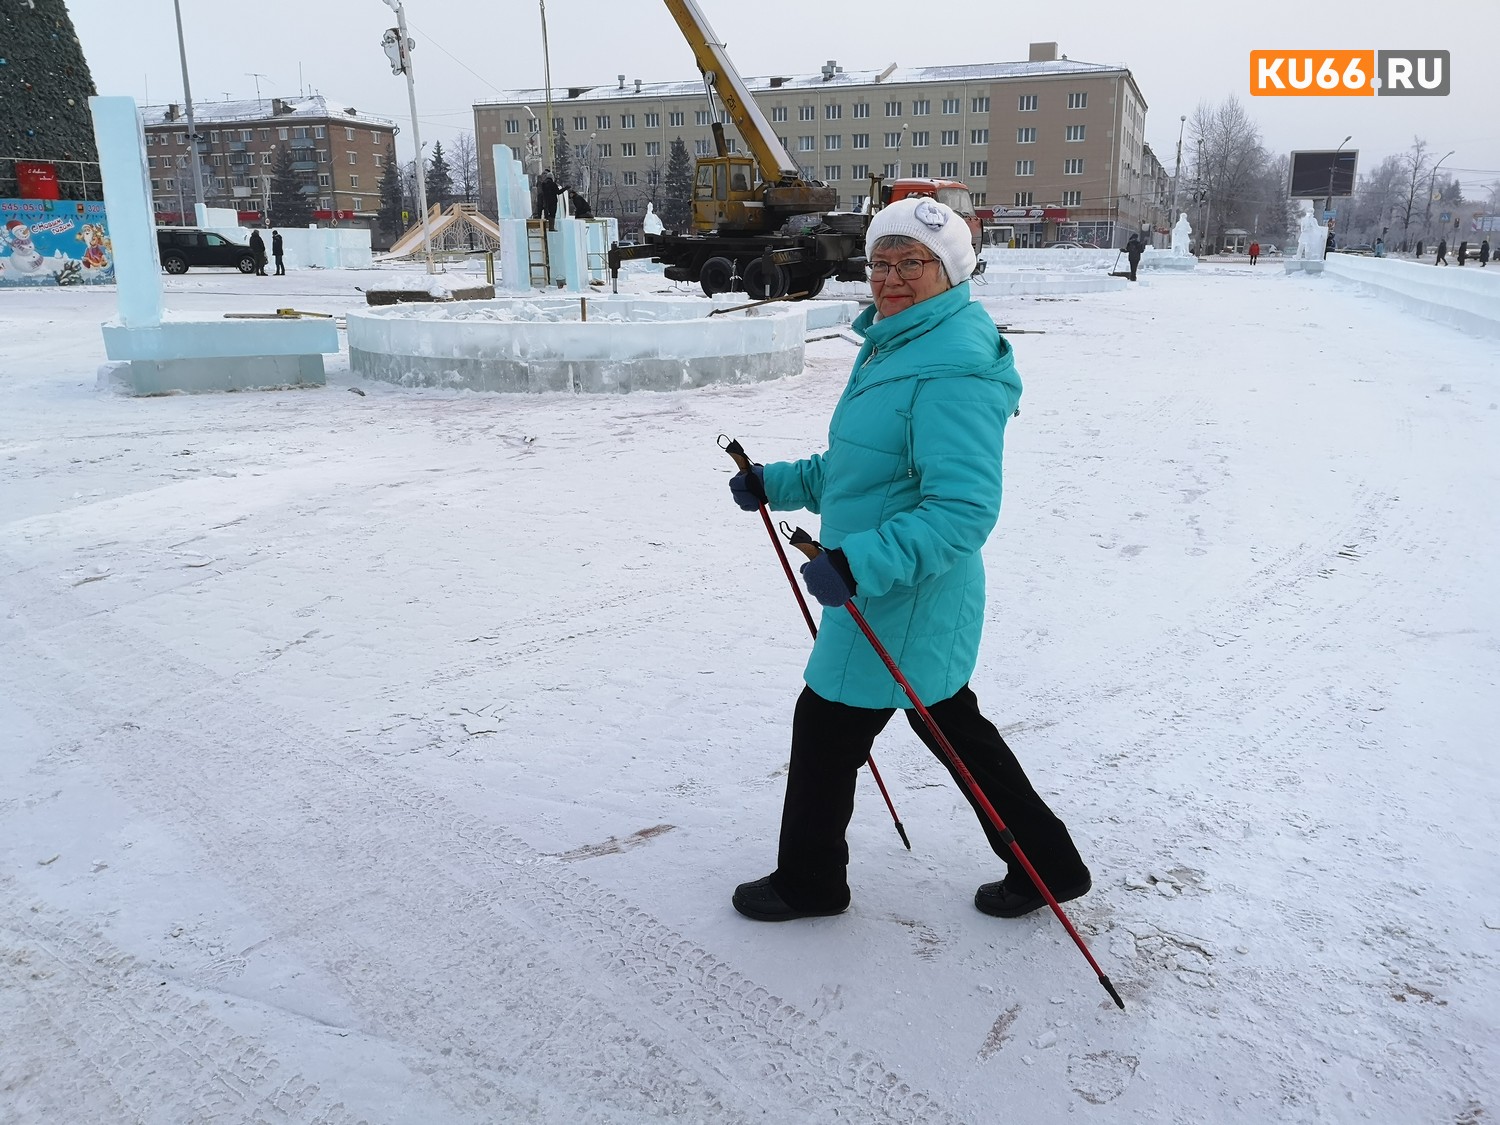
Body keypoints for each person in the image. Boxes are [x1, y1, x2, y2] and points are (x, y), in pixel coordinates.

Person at [726, 196, 1092, 924]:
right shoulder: (903, 341)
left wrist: (861, 564)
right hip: (898, 590)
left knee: (826, 726)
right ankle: (1049, 863)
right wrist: (781, 482)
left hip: (900, 592)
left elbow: (961, 509)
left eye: (911, 264)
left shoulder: (950, 367)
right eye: (881, 262)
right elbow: (860, 469)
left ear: (950, 270)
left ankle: (810, 881)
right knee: (952, 725)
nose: (890, 278)